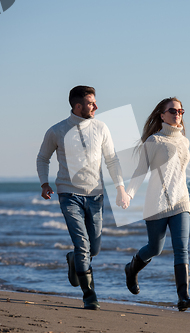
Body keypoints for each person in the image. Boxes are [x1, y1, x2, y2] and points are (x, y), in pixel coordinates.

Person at [36, 85, 129, 310]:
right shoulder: (56, 131)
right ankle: (89, 295)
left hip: (95, 195)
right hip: (68, 194)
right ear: (78, 106)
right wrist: (44, 183)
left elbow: (112, 160)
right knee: (83, 244)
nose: (96, 106)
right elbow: (42, 158)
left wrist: (120, 188)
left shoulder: (101, 127)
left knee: (93, 248)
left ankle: (73, 260)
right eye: (91, 103)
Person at [124, 97, 190, 311]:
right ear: (162, 115)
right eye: (172, 111)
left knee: (181, 249)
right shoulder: (153, 141)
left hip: (181, 201)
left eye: (180, 111)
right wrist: (128, 194)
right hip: (157, 203)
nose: (177, 114)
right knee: (155, 248)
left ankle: (183, 297)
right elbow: (140, 171)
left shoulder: (184, 141)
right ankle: (132, 269)